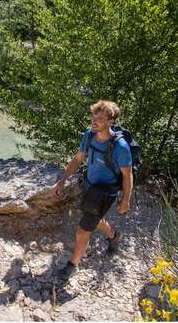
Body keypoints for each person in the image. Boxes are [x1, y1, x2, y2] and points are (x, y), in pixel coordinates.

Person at [53, 100, 133, 281]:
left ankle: (72, 265)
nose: (94, 121)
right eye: (93, 117)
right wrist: (62, 180)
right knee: (94, 219)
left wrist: (125, 199)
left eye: (100, 119)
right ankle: (114, 236)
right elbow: (78, 158)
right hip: (89, 186)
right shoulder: (89, 136)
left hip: (105, 193)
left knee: (82, 231)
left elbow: (127, 176)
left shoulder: (120, 147)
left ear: (110, 121)